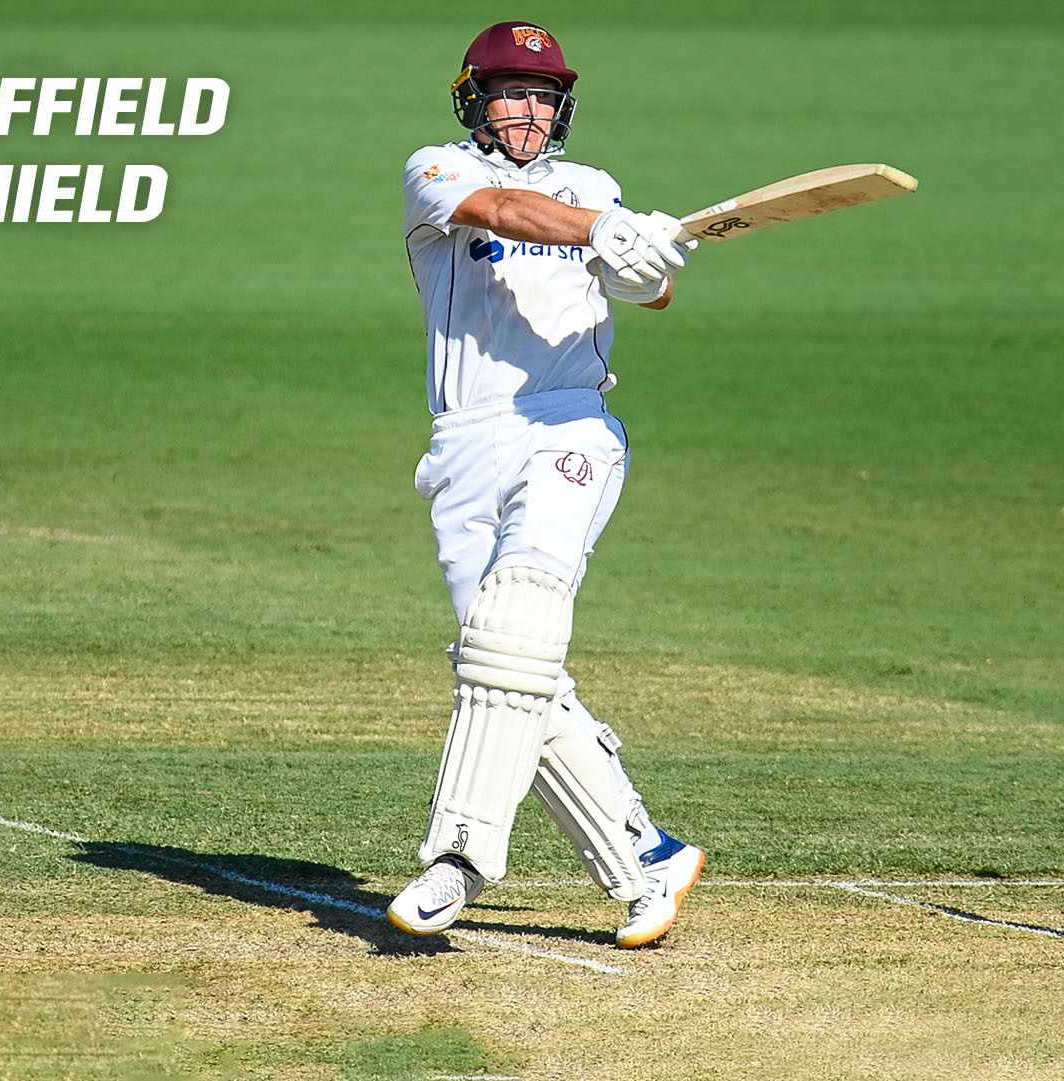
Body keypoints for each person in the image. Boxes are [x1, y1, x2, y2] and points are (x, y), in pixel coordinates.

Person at [386, 21, 705, 949]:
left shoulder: (593, 186)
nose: (526, 110)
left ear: (562, 107)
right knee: (509, 667)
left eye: (541, 95)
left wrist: (641, 268)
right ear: (473, 100)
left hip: (568, 423)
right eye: (508, 93)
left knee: (519, 617)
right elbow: (502, 214)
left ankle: (460, 856)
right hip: (465, 439)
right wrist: (600, 230)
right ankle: (646, 854)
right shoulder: (436, 171)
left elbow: (647, 288)